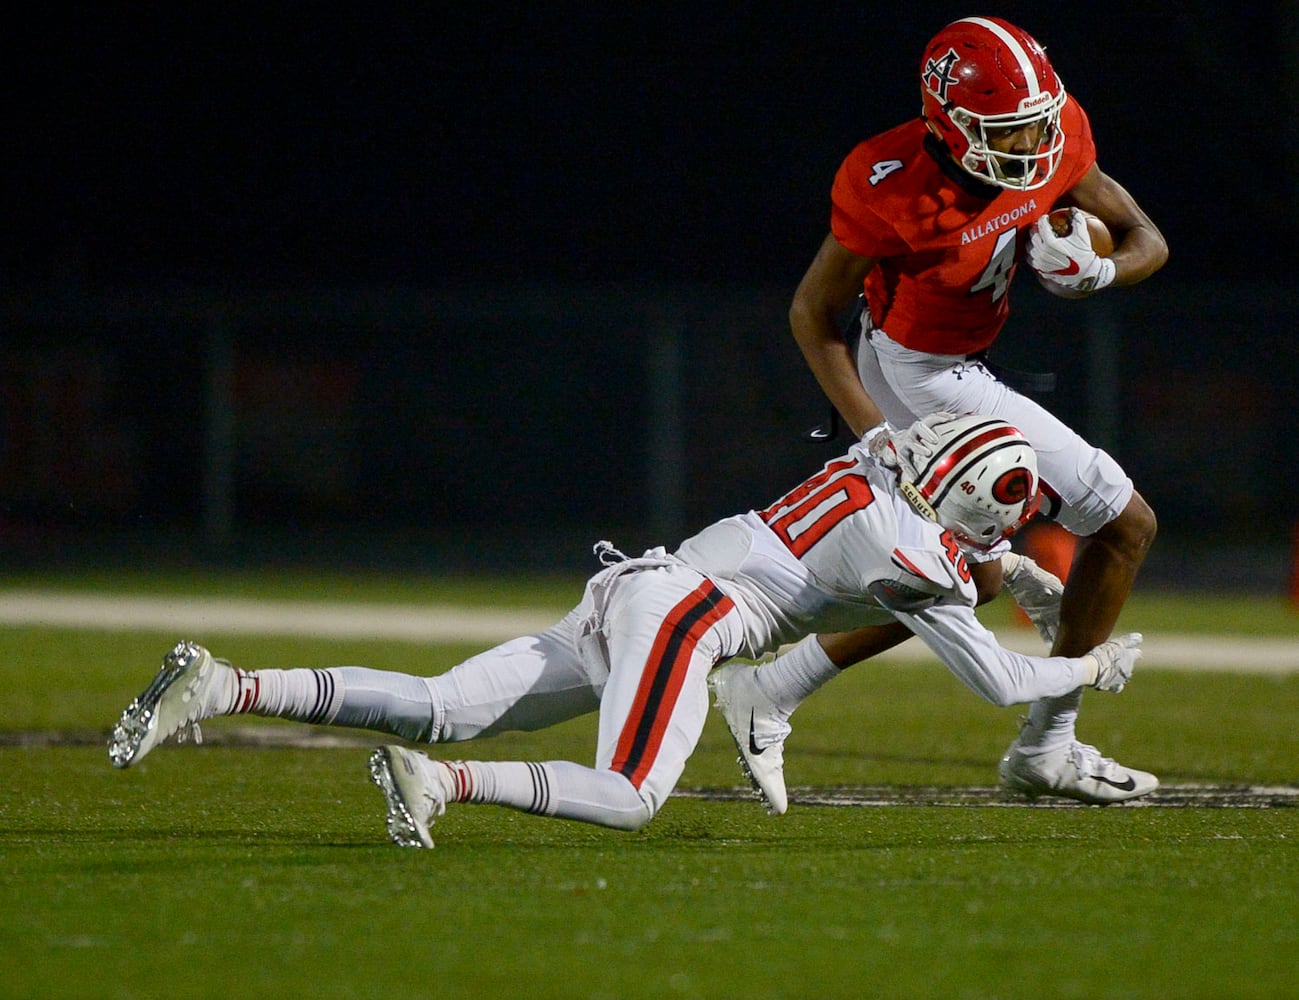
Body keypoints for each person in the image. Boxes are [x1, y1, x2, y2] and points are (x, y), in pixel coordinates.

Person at [108, 414, 1144, 847]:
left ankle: (229, 685)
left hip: (639, 585)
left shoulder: (886, 453)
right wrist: (1096, 662)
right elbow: (1006, 688)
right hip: (685, 616)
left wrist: (1003, 563)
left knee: (440, 706)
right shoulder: (913, 560)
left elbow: (926, 500)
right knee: (634, 796)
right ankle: (440, 788)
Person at [721, 15, 1168, 813]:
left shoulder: (1053, 130)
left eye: (1035, 123)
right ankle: (1044, 751)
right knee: (1122, 523)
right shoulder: (886, 177)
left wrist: (1099, 271)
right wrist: (877, 433)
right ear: (947, 122)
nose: (1030, 146)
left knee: (974, 577)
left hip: (966, 366)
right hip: (916, 372)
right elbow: (811, 312)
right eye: (1005, 130)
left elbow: (1145, 238)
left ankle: (773, 688)